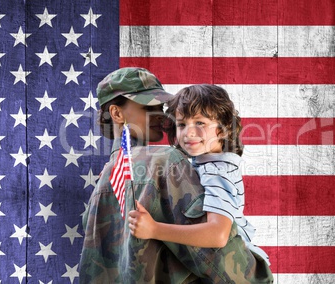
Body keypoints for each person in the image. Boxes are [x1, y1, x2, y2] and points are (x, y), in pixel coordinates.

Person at [80, 67, 274, 283]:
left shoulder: (104, 181)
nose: (161, 115)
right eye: (147, 106)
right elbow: (218, 259)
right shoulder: (167, 161)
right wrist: (258, 277)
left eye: (160, 106)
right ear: (117, 113)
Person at [128, 84, 271, 266]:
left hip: (235, 266)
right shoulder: (205, 164)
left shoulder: (217, 172)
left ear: (222, 128)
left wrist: (154, 229)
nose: (189, 132)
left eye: (200, 123)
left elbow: (218, 235)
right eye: (181, 124)